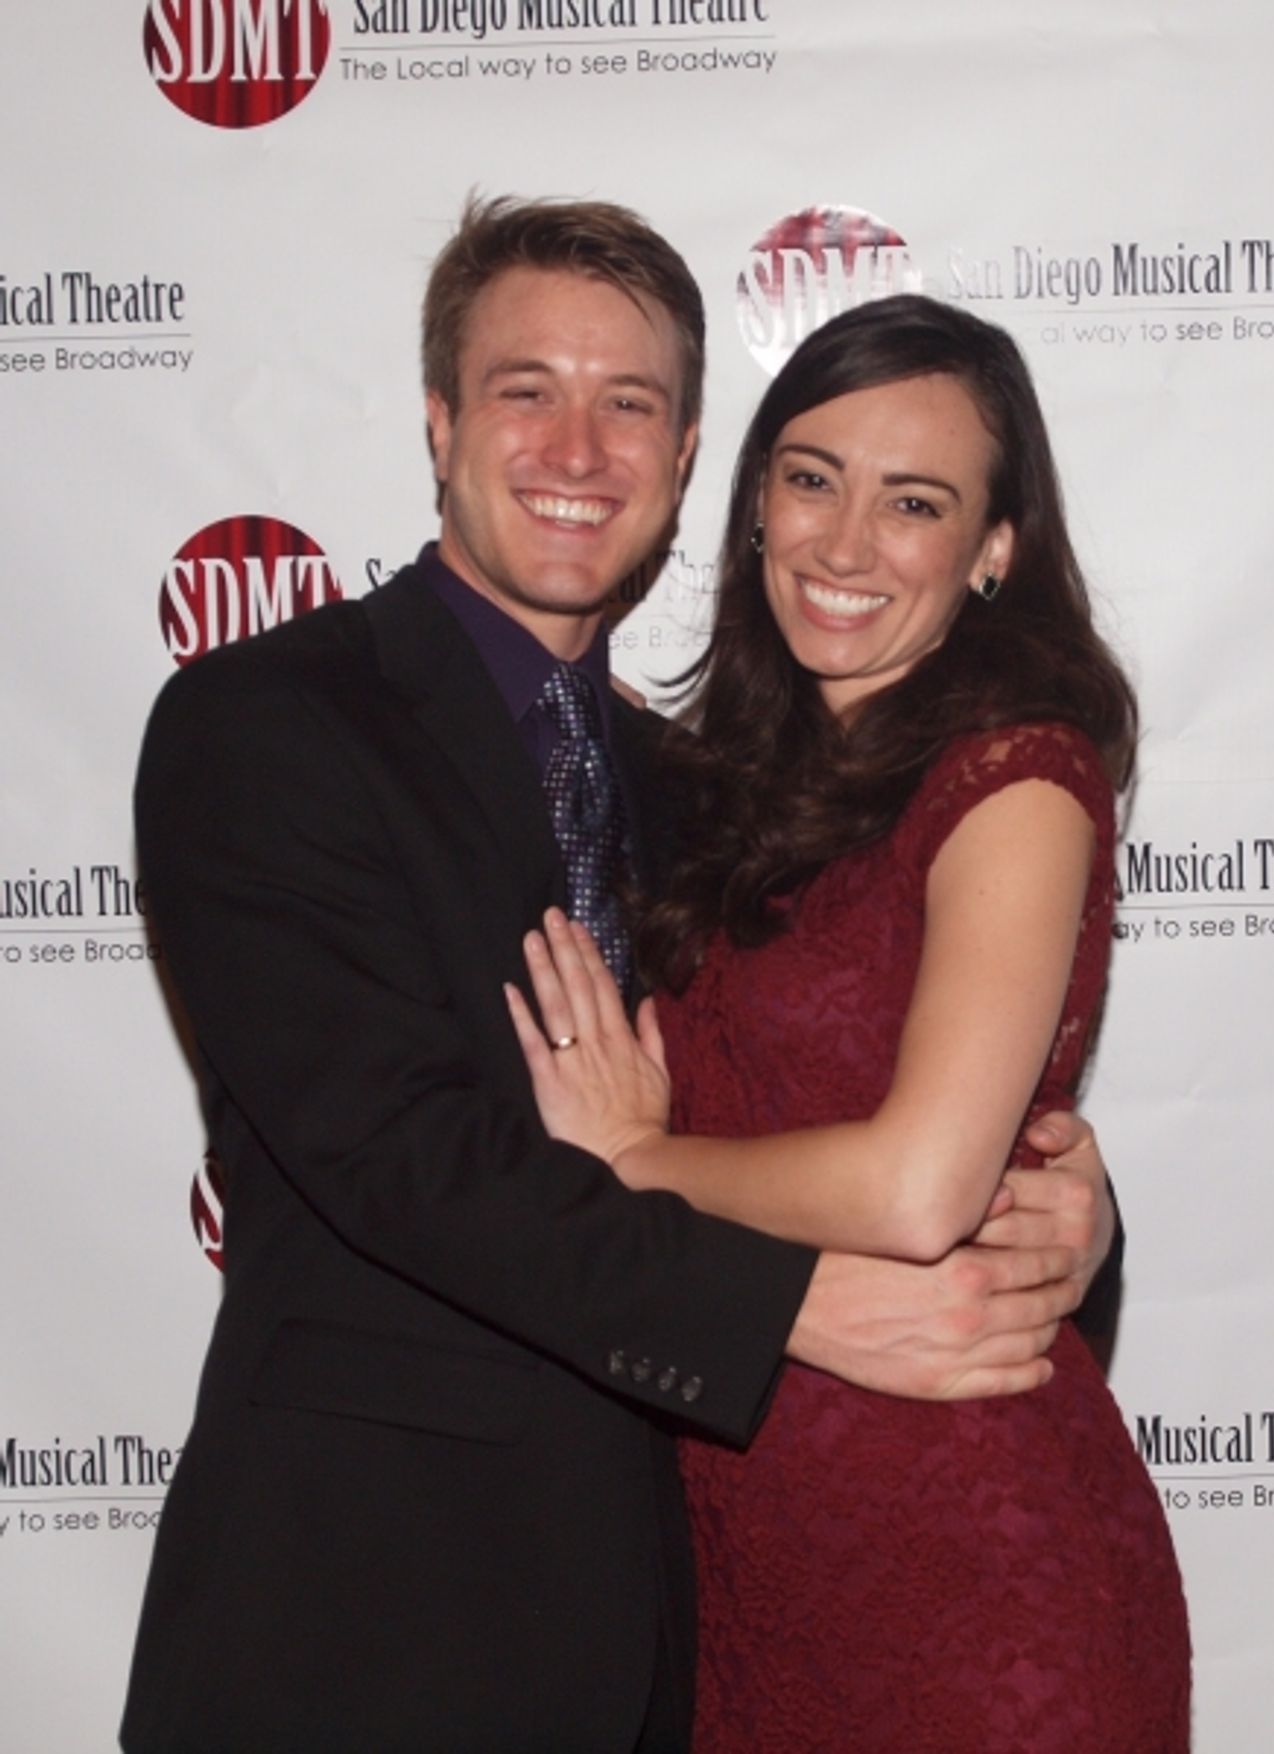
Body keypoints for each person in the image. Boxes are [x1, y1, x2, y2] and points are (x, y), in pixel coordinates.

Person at [122, 198, 1121, 1754]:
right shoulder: (266, 725)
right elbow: (405, 1159)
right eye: (528, 390)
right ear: (442, 422)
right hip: (364, 1627)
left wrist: (1061, 1208)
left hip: (688, 1634)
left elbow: (833, 1114)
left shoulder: (711, 790)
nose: (577, 448)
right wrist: (792, 1306)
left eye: (630, 404)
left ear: (683, 456)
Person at [509, 294, 1191, 1750]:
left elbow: (919, 1184)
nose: (844, 543)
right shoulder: (707, 786)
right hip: (742, 1565)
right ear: (752, 499)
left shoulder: (1015, 776)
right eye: (813, 479)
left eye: (917, 502)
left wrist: (637, 1161)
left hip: (977, 1566)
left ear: (995, 548)